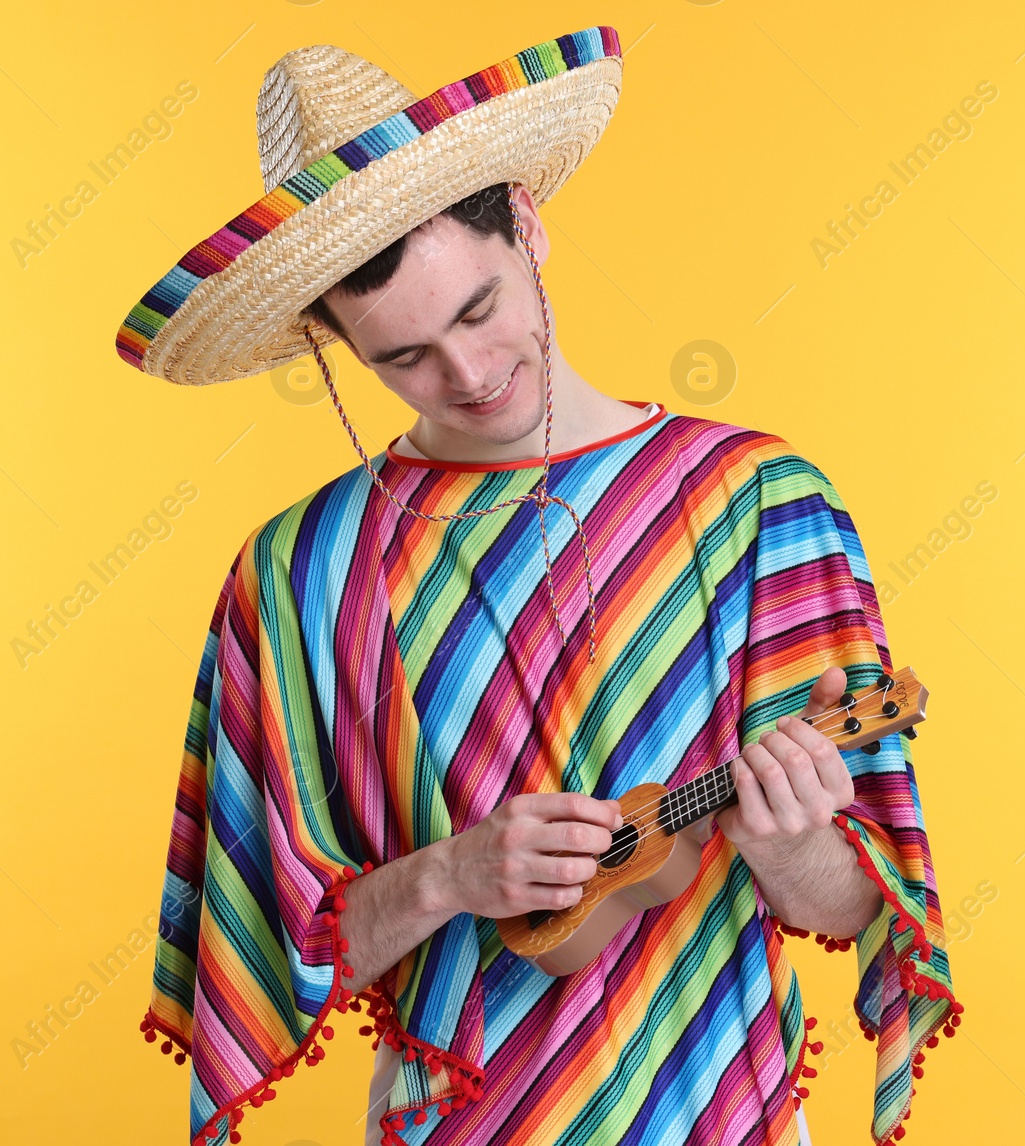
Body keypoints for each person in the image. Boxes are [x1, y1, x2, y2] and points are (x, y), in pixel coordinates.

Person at [116, 26, 961, 1146]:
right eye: (401, 356)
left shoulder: (755, 504)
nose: (467, 374)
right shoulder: (299, 575)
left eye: (476, 309)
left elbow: (848, 905)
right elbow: (262, 952)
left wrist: (788, 833)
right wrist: (449, 876)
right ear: (328, 344)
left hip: (725, 1115)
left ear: (526, 223)